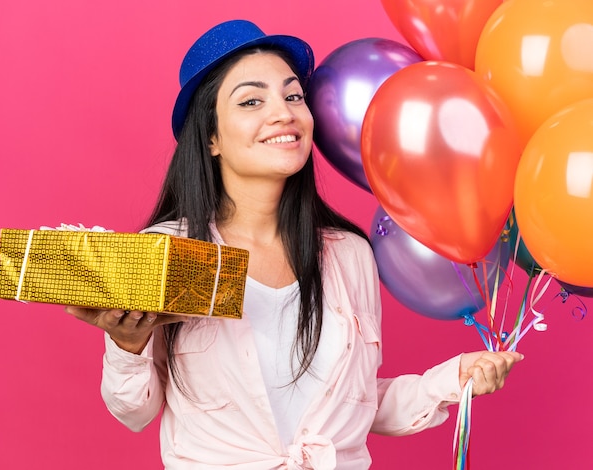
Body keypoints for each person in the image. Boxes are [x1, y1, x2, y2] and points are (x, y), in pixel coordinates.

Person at [66, 19, 522, 469]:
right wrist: (128, 343)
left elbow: (354, 406)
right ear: (210, 138)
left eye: (292, 96)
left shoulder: (348, 254)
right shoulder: (169, 252)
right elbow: (135, 411)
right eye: (251, 101)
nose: (283, 113)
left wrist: (451, 380)